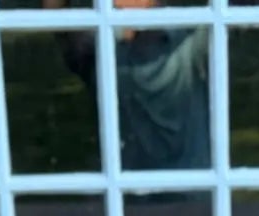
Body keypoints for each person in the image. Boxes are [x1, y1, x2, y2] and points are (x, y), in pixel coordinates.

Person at [47, 0, 210, 171]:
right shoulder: (101, 47)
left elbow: (58, 20)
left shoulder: (190, 44)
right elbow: (58, 21)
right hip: (128, 191)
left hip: (188, 189)